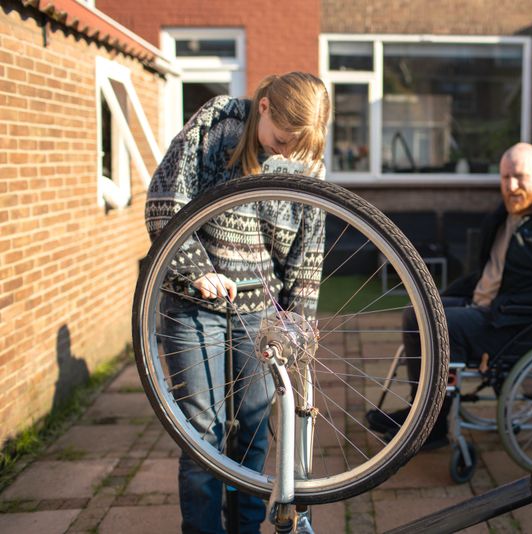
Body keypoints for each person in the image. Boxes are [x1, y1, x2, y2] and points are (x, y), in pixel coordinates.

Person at [145, 72, 330, 534]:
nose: (285, 153)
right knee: (201, 433)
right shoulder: (217, 124)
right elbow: (164, 198)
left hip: (259, 315)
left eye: (297, 146)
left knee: (250, 433)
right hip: (193, 304)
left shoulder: (305, 160)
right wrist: (195, 267)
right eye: (281, 140)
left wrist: (296, 325)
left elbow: (308, 255)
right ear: (263, 106)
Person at [366, 142, 532, 446]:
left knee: (442, 326)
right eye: (505, 178)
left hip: (519, 326)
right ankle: (420, 411)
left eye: (519, 177)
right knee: (417, 314)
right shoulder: (514, 210)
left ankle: (432, 428)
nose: (511, 186)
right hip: (493, 307)